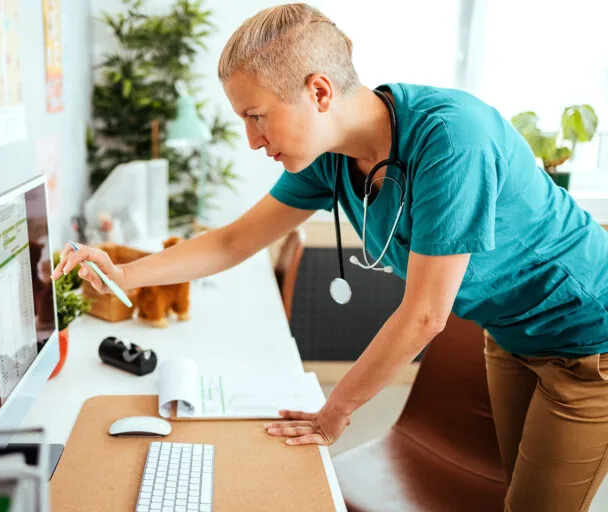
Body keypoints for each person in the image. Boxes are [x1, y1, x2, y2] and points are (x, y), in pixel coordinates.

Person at [54, 4, 608, 510]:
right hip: (509, 335)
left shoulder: (452, 138)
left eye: (257, 116)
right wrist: (125, 271)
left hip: (588, 340)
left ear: (319, 91)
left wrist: (334, 412)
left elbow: (424, 315)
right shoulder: (332, 158)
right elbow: (232, 242)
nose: (251, 140)